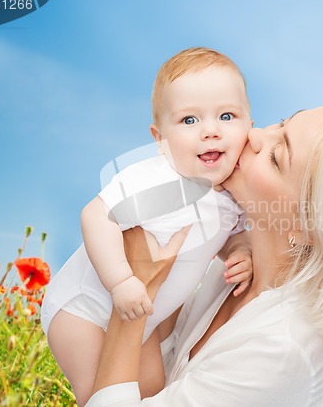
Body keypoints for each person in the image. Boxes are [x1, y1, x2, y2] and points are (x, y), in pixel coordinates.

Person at [85, 105, 323, 407]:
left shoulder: (286, 351)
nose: (255, 134)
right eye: (282, 123)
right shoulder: (240, 269)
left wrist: (134, 297)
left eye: (276, 157)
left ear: (308, 228)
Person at [40, 48, 255, 405]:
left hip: (144, 320)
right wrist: (121, 280)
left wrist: (241, 250)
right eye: (189, 120)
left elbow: (227, 236)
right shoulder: (159, 181)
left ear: (249, 123)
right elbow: (96, 215)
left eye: (227, 115)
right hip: (84, 310)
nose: (211, 131)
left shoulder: (231, 195)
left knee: (154, 391)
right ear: (160, 139)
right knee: (98, 391)